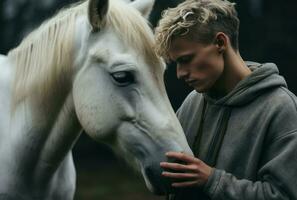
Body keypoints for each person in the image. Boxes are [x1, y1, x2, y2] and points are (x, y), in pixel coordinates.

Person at [154, 0, 297, 199]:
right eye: (177, 63)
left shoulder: (281, 109)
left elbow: (284, 195)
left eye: (186, 60)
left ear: (220, 43)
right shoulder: (191, 103)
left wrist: (212, 180)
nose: (180, 73)